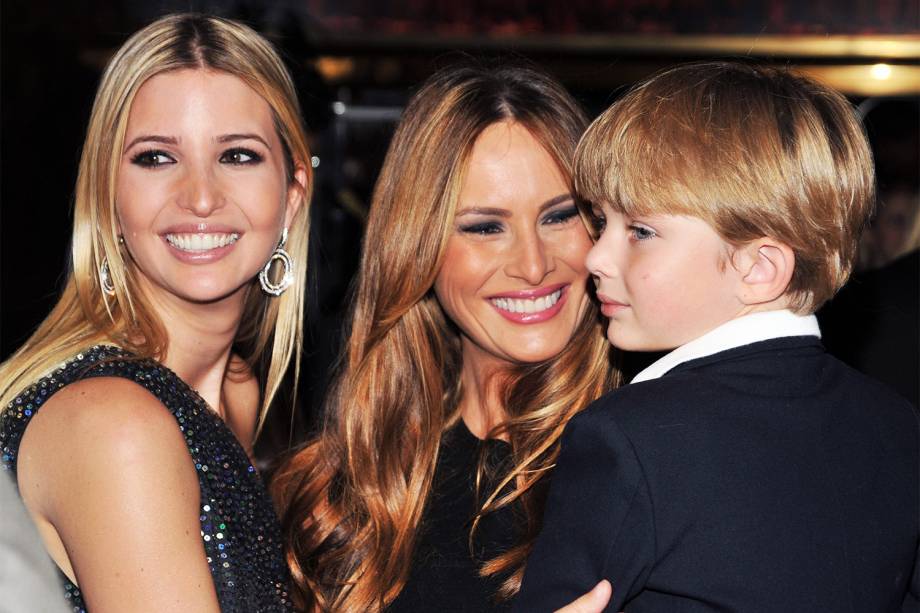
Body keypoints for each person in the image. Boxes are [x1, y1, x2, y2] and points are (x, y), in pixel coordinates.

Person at [515, 61, 920, 612]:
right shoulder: (896, 426)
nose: (595, 256)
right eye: (600, 222)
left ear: (759, 268)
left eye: (640, 231)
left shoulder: (628, 438)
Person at [271, 62, 619, 613]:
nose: (533, 266)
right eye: (485, 227)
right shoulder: (355, 483)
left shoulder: (638, 457)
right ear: (418, 247)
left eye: (559, 217)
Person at [0, 13, 311, 612]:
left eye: (239, 156)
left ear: (292, 196)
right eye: (156, 158)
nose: (199, 196)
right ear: (108, 197)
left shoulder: (242, 395)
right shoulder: (114, 424)